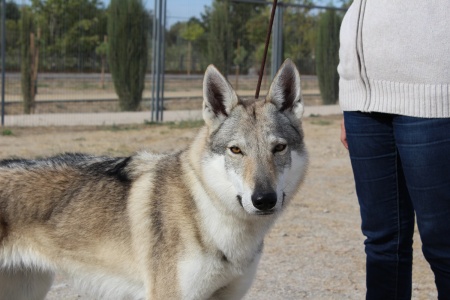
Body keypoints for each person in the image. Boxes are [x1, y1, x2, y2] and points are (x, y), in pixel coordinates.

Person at [338, 1, 450, 299]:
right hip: (362, 98)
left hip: (432, 88)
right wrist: (350, 97)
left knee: (443, 243)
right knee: (381, 242)